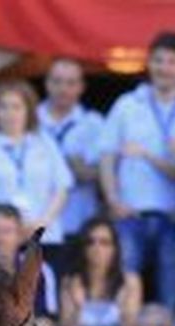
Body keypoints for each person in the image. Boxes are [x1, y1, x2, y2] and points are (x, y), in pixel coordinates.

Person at [98, 30, 175, 308]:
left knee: (173, 294)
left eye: (172, 62)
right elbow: (107, 156)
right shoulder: (128, 104)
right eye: (158, 61)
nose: (164, 68)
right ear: (149, 64)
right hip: (130, 213)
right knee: (122, 289)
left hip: (174, 216)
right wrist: (112, 200)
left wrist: (145, 155)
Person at [0, 78, 71, 249]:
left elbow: (61, 188)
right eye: (3, 107)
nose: (10, 113)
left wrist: (41, 223)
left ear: (28, 111)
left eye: (17, 107)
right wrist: (6, 226)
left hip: (45, 236)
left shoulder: (44, 142)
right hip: (2, 241)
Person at [37, 57, 106, 274]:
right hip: (38, 222)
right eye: (57, 82)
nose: (63, 89)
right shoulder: (30, 119)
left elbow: (109, 172)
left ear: (81, 87)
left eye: (70, 83)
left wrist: (84, 172)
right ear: (47, 84)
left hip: (80, 222)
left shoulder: (94, 123)